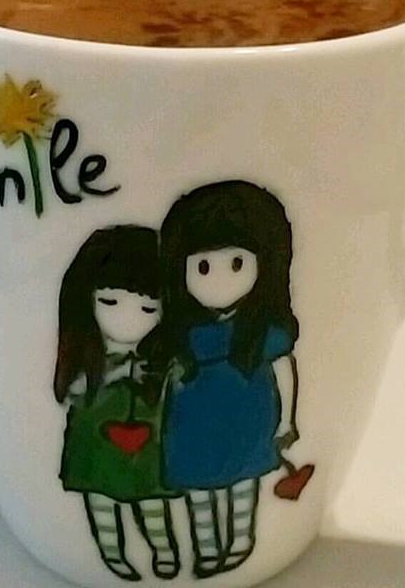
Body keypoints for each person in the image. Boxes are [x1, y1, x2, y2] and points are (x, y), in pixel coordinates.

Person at [160, 181, 300, 577]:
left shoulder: (260, 332)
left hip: (248, 418)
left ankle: (240, 543)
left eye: (237, 263)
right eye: (202, 266)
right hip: (193, 424)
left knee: (243, 482)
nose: (217, 279)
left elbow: (284, 367)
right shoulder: (185, 332)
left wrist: (286, 422)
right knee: (198, 488)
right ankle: (207, 550)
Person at [54, 225, 179, 581]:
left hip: (148, 444)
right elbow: (72, 392)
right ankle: (111, 554)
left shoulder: (158, 358)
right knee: (100, 500)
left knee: (152, 499)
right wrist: (115, 373)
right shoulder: (89, 357)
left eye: (149, 307)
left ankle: (164, 551)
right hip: (94, 442)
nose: (129, 318)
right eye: (109, 302)